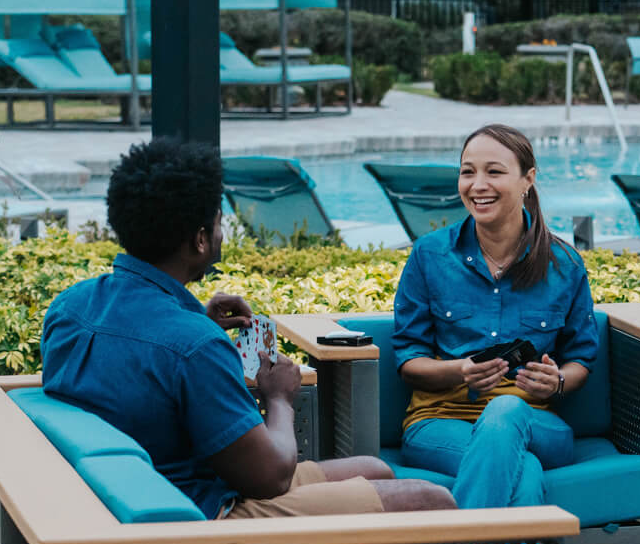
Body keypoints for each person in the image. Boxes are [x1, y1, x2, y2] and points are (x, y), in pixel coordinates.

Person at [41, 137, 453, 518]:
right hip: (196, 514)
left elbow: (136, 368)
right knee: (431, 501)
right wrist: (279, 398)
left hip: (124, 496)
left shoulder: (70, 306)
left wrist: (195, 322)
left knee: (376, 467)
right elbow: (269, 477)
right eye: (219, 223)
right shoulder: (194, 346)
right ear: (200, 239)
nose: (222, 234)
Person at [392, 124, 599, 510]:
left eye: (494, 171)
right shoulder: (429, 255)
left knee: (506, 410)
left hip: (537, 421)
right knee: (526, 471)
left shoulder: (565, 263)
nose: (477, 184)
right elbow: (408, 360)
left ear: (527, 180)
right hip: (439, 421)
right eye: (467, 171)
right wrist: (459, 371)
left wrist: (555, 382)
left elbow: (581, 360)